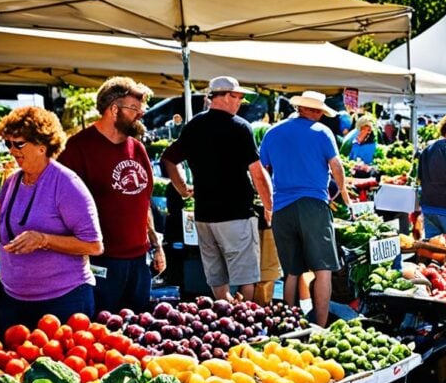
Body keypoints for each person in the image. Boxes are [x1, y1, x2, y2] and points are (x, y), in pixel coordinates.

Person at [0, 107, 103, 330]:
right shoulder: (11, 182)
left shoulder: (67, 183)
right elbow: (0, 236)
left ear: (42, 146)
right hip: (13, 300)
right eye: (8, 143)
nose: (12, 150)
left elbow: (94, 245)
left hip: (63, 301)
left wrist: (43, 239)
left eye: (18, 144)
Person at [161, 75, 273, 302]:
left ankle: (223, 313)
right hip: (236, 215)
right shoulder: (240, 127)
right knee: (245, 275)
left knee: (216, 275)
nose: (240, 102)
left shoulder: (194, 126)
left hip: (204, 216)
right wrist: (270, 207)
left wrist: (182, 188)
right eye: (237, 96)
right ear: (224, 97)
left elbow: (169, 159)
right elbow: (257, 174)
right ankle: (243, 319)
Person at [58, 76, 162, 313]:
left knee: (140, 331)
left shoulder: (137, 148)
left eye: (141, 107)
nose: (141, 113)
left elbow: (143, 201)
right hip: (101, 262)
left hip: (139, 262)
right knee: (103, 332)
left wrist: (156, 244)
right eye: (134, 108)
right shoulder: (78, 148)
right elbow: (61, 205)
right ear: (114, 110)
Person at [259, 90, 351, 327]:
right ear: (310, 109)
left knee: (291, 271)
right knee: (323, 270)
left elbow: (261, 172)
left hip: (282, 207)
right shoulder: (322, 132)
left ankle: (290, 323)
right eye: (319, 110)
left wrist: (268, 203)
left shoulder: (273, 132)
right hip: (313, 206)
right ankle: (320, 327)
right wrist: (344, 194)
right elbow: (337, 167)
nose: (321, 114)